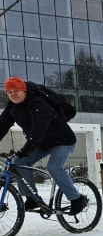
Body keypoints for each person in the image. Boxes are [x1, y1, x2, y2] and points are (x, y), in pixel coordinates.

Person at [0, 77, 87, 215]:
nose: (13, 95)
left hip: (62, 141)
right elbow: (2, 125)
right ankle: (32, 198)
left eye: (16, 91)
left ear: (24, 90)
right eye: (9, 92)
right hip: (42, 143)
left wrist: (29, 145)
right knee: (20, 162)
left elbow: (39, 126)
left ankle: (77, 199)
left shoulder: (37, 103)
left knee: (53, 167)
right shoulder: (13, 107)